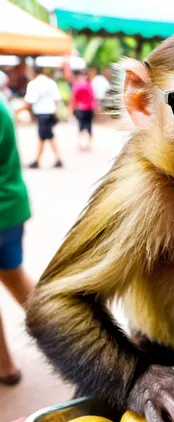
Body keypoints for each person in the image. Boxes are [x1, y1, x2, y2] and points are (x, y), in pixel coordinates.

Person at [0, 85, 35, 385]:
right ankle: (70, 341)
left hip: (4, 211)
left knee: (15, 279)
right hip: (9, 207)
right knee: (15, 278)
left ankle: (5, 365)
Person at [21, 67, 63, 169]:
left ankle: (37, 161)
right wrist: (56, 112)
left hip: (42, 114)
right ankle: (57, 159)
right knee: (47, 137)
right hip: (50, 114)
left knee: (43, 137)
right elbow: (57, 99)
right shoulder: (51, 83)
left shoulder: (33, 84)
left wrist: (17, 110)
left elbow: (29, 101)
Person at [70, 70, 95, 151]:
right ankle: (88, 144)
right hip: (89, 108)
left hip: (82, 109)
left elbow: (74, 98)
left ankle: (82, 144)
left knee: (81, 126)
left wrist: (72, 108)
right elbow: (93, 97)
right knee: (89, 126)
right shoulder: (89, 85)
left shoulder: (77, 86)